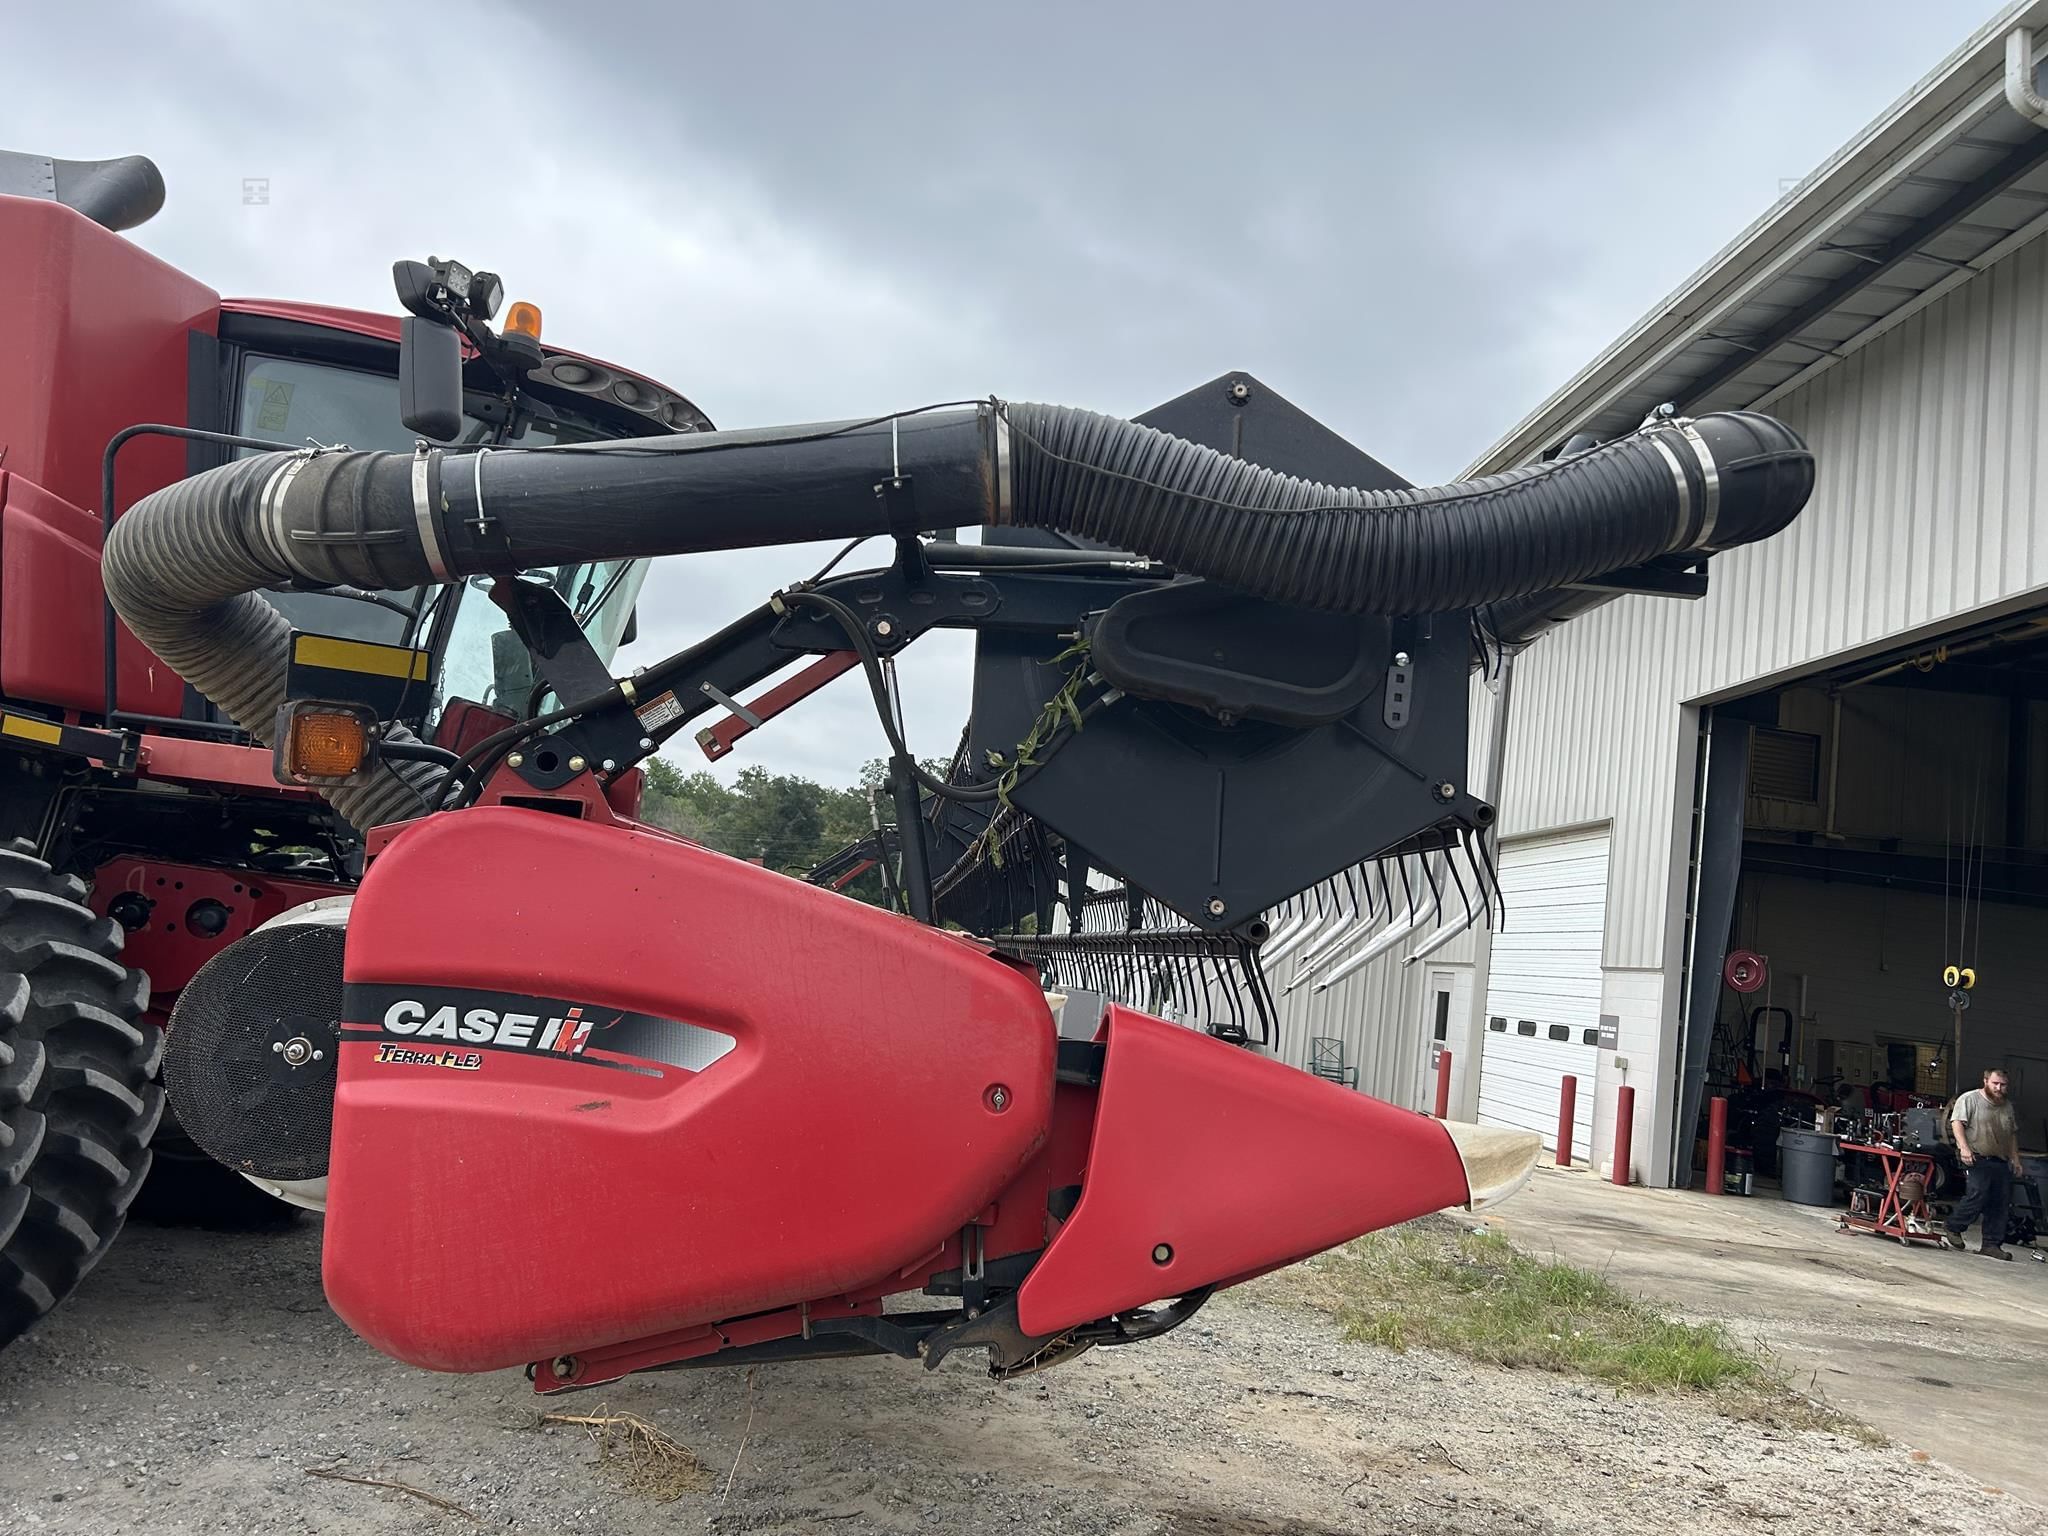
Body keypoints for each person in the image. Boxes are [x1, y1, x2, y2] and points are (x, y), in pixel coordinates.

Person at [1944, 1067, 2023, 1259]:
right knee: (1977, 1193)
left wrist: (2016, 1159)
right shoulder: (1969, 1099)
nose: (1998, 1088)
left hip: (2000, 1160)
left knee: (2000, 1203)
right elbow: (1957, 1123)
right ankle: (1953, 1226)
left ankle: (1991, 1244)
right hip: (1976, 1156)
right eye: (1995, 1083)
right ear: (1985, 1081)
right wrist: (1964, 1148)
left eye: (2003, 1085)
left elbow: (2011, 1134)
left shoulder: (2007, 1106)